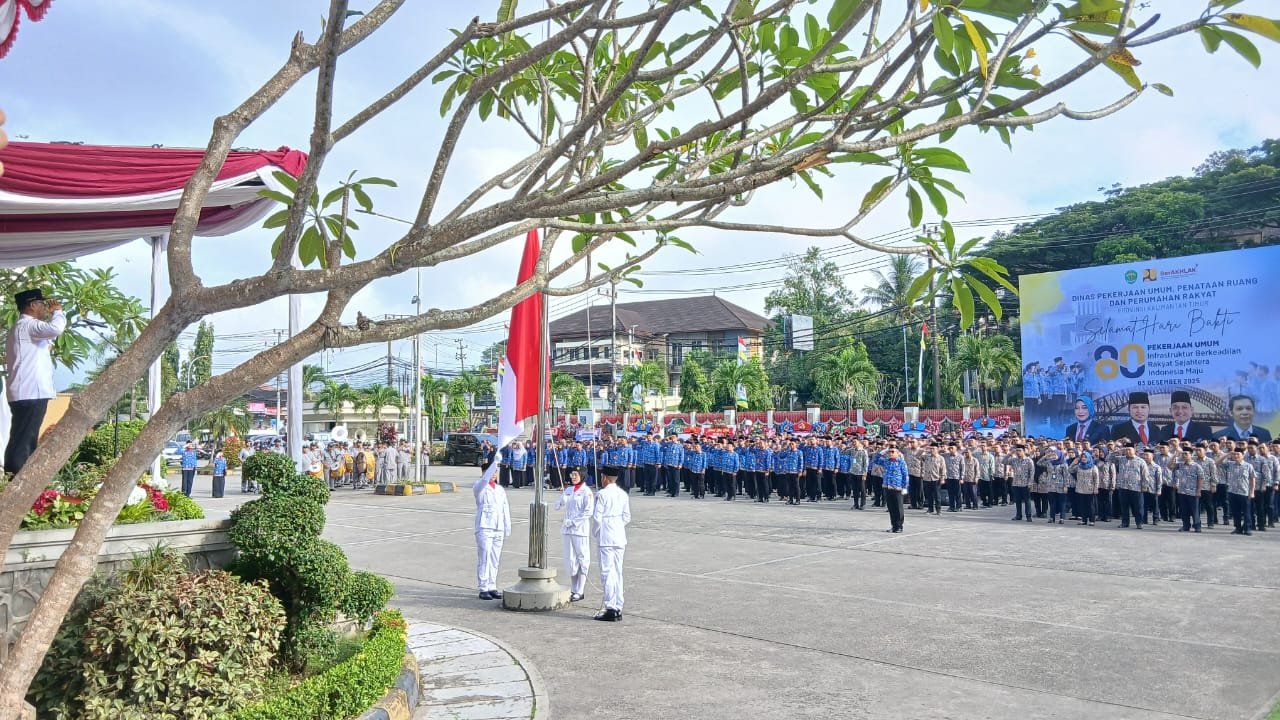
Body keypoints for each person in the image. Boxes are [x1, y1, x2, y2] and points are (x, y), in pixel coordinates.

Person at [4, 289, 66, 474]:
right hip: (31, 391)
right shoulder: (30, 325)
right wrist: (58, 312)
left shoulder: (20, 327)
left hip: (24, 391)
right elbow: (56, 329)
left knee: (21, 439)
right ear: (32, 305)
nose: (45, 308)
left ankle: (14, 478)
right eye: (41, 304)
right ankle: (17, 480)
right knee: (24, 442)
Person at [592, 467, 631, 622]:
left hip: (606, 537)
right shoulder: (623, 494)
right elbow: (627, 517)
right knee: (618, 572)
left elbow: (597, 518)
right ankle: (618, 605)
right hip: (619, 535)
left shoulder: (602, 494)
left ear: (605, 478)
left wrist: (596, 532)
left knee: (607, 573)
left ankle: (610, 607)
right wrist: (617, 525)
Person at [554, 470, 594, 602]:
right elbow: (557, 505)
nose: (573, 477)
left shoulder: (587, 492)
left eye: (576, 475)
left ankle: (580, 590)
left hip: (579, 529)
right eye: (572, 475)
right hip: (567, 529)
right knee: (570, 559)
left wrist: (574, 522)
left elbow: (588, 512)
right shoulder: (569, 490)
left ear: (582, 476)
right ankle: (574, 588)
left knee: (582, 558)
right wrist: (561, 500)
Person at [473, 468, 511, 600]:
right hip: (485, 527)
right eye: (490, 472)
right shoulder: (479, 486)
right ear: (484, 473)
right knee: (485, 558)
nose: (493, 474)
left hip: (498, 527)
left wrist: (507, 525)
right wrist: (494, 462)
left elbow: (505, 508)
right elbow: (484, 481)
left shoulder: (500, 489)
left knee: (495, 559)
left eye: (495, 472)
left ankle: (492, 586)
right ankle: (483, 587)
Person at [881, 445, 909, 533]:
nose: (891, 453)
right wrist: (884, 451)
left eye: (893, 452)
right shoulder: (886, 461)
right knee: (891, 508)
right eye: (889, 452)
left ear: (898, 453)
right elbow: (876, 460)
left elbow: (905, 475)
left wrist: (905, 487)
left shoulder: (901, 462)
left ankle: (899, 526)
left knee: (898, 508)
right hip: (887, 486)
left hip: (897, 487)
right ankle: (894, 526)